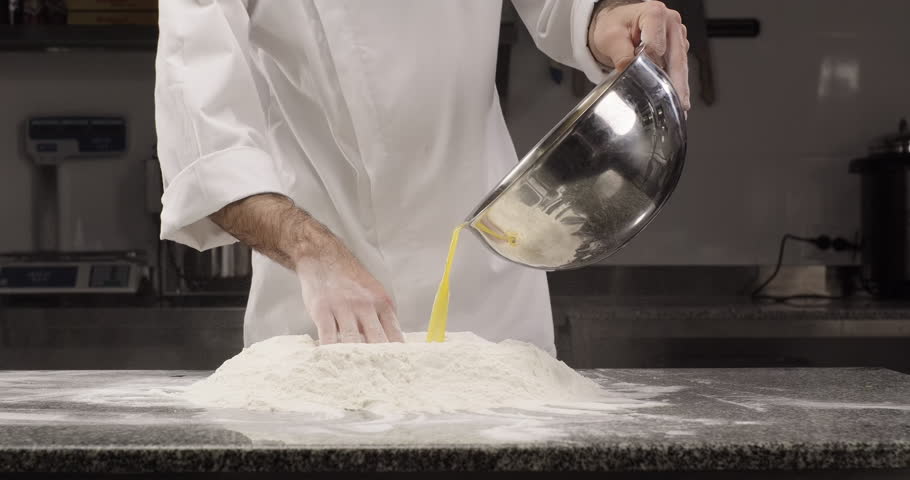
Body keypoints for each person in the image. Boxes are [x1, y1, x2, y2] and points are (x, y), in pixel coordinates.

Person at [155, 0, 690, 354]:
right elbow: (206, 134)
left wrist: (606, 19)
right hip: (320, 295)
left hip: (489, 289)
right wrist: (314, 253)